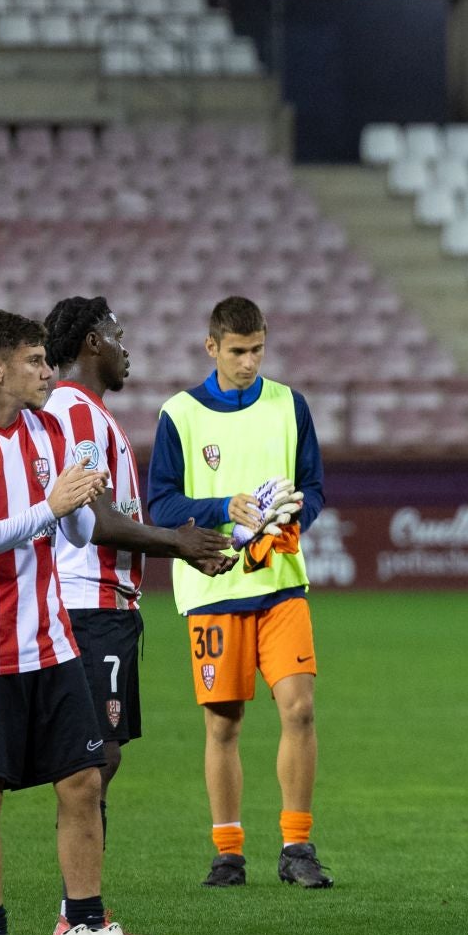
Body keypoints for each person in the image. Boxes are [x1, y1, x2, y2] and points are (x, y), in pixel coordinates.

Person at [0, 309, 159, 935]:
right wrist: (47, 508)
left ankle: (83, 929)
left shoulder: (48, 433)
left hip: (52, 641)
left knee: (83, 780)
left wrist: (80, 499)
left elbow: (74, 536)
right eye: (33, 361)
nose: (48, 370)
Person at [40, 296, 236, 935]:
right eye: (119, 336)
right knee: (91, 764)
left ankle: (83, 912)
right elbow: (92, 521)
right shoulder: (76, 412)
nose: (129, 348)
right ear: (93, 342)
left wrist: (178, 547)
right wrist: (176, 541)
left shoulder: (88, 414)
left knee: (101, 760)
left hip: (107, 607)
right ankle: (80, 918)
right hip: (88, 604)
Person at [147, 296, 331, 890]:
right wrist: (224, 509)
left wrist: (293, 519)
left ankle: (297, 846)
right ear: (212, 347)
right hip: (212, 588)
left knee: (299, 709)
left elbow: (315, 487)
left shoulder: (289, 404)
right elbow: (163, 504)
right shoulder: (179, 415)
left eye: (257, 350)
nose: (250, 362)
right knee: (224, 725)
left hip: (280, 583)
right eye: (237, 352)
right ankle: (228, 852)